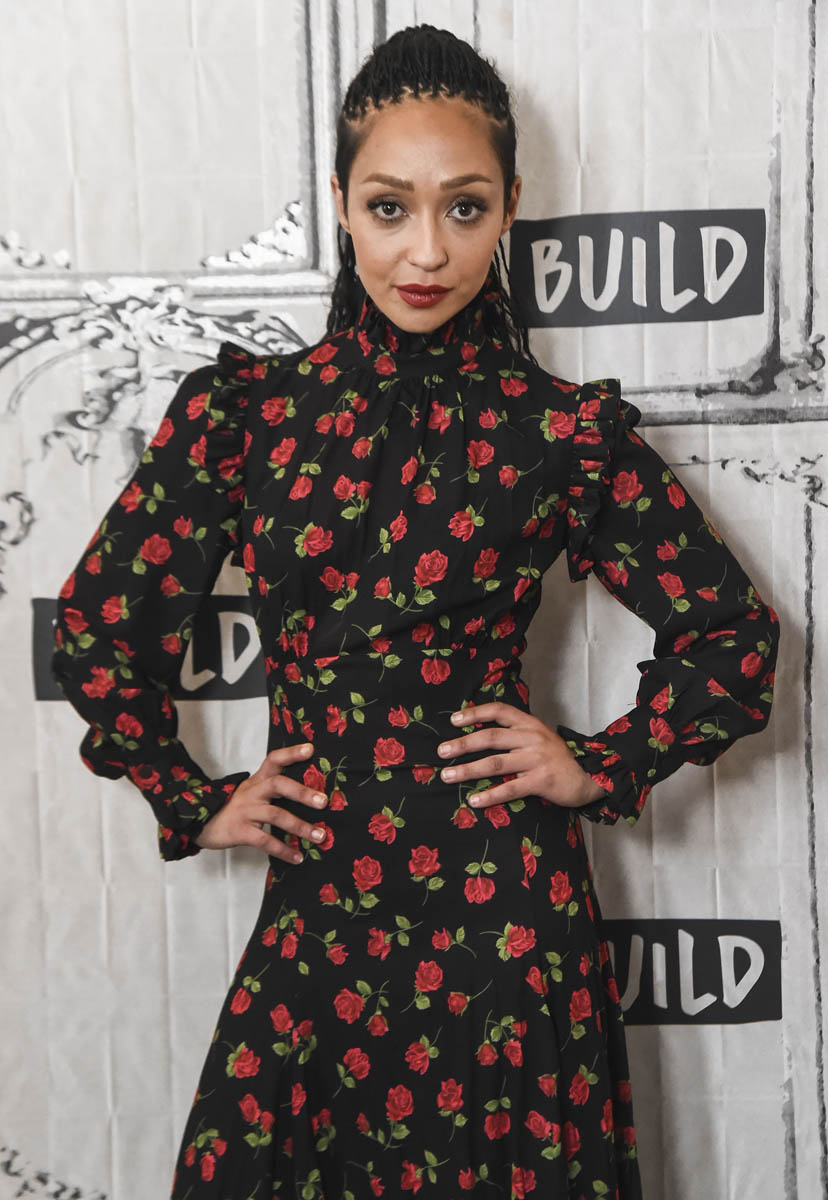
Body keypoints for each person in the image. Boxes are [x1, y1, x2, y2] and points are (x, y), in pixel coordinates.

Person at [50, 23, 779, 1200]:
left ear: (510, 210)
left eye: (465, 208)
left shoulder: (560, 434)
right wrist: (191, 796)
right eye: (390, 208)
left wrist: (600, 762)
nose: (426, 252)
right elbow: (95, 628)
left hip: (508, 920)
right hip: (323, 912)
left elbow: (733, 636)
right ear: (342, 205)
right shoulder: (250, 419)